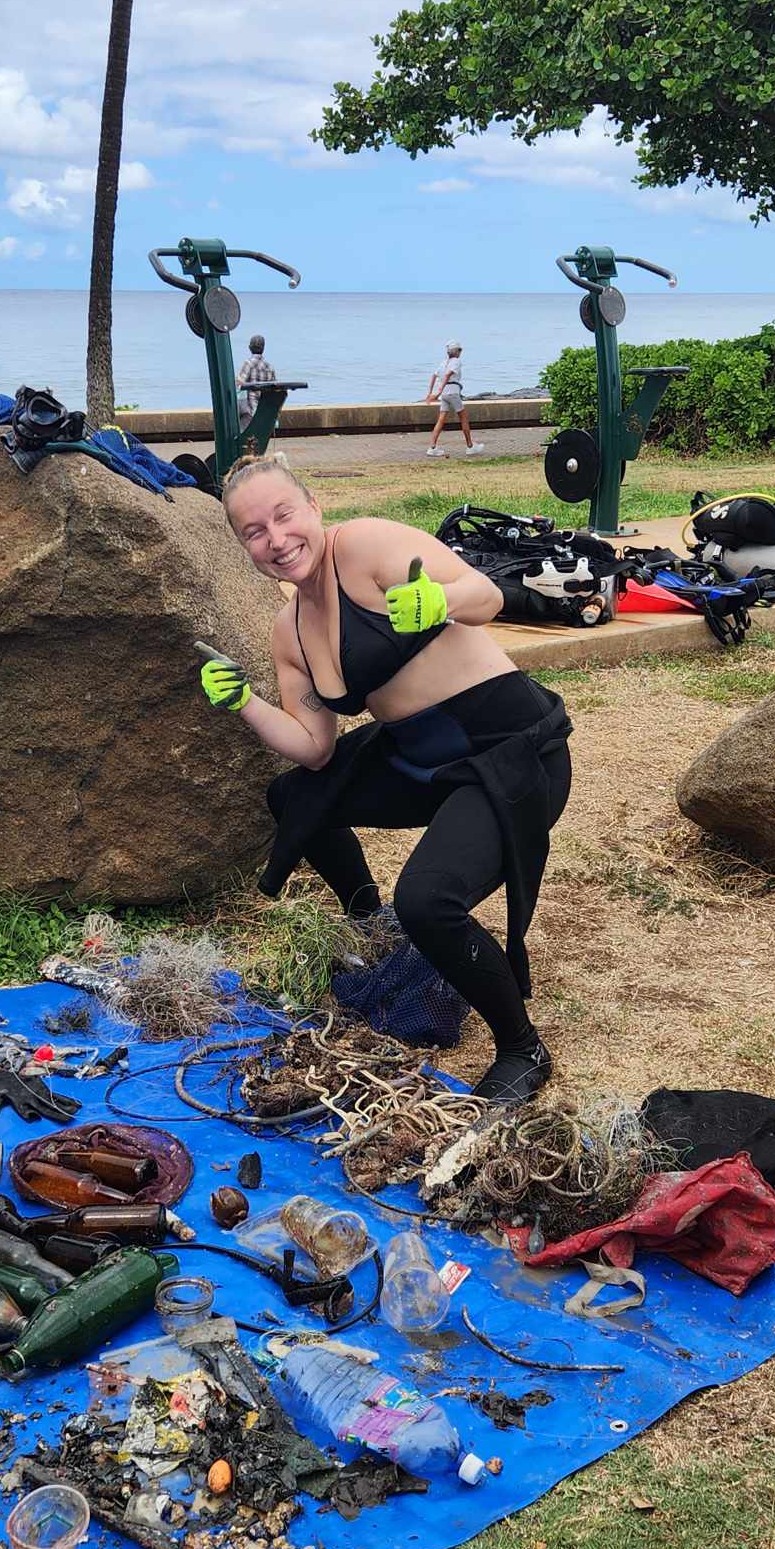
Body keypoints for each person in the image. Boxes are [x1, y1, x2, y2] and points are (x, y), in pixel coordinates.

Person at [198, 457, 572, 1105]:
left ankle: (521, 1048)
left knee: (429, 900)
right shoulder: (291, 631)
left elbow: (484, 595)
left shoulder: (367, 545)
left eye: (284, 515)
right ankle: (372, 928)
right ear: (243, 547)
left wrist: (441, 601)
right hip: (425, 762)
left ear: (313, 507)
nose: (276, 538)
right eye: (254, 531)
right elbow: (313, 750)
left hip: (511, 754)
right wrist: (245, 704)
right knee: (296, 799)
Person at [425, 342, 484, 459]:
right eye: (460, 350)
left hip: (445, 395)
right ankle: (470, 446)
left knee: (441, 420)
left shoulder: (443, 363)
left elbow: (434, 376)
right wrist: (437, 393)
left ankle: (432, 448)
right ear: (456, 351)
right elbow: (447, 375)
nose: (461, 352)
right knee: (463, 418)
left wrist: (430, 393)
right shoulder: (456, 362)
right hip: (452, 392)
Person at [236, 334, 277, 425]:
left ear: (250, 347)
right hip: (265, 409)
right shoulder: (270, 367)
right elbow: (274, 388)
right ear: (263, 348)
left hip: (251, 410)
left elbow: (239, 383)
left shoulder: (248, 363)